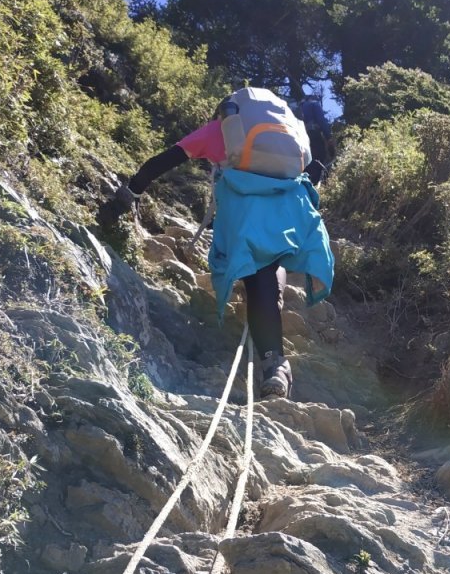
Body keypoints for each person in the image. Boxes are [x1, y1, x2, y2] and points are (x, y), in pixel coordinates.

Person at [99, 89, 334, 400]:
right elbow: (307, 171)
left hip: (245, 211)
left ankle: (274, 361)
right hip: (287, 210)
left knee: (256, 269)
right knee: (268, 265)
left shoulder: (221, 131)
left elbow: (164, 161)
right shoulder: (286, 133)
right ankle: (275, 363)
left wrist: (127, 196)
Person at [300, 93, 336, 169]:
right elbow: (321, 120)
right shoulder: (314, 104)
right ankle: (315, 179)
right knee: (319, 156)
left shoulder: (300, 107)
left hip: (302, 135)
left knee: (307, 157)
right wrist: (328, 137)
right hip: (314, 133)